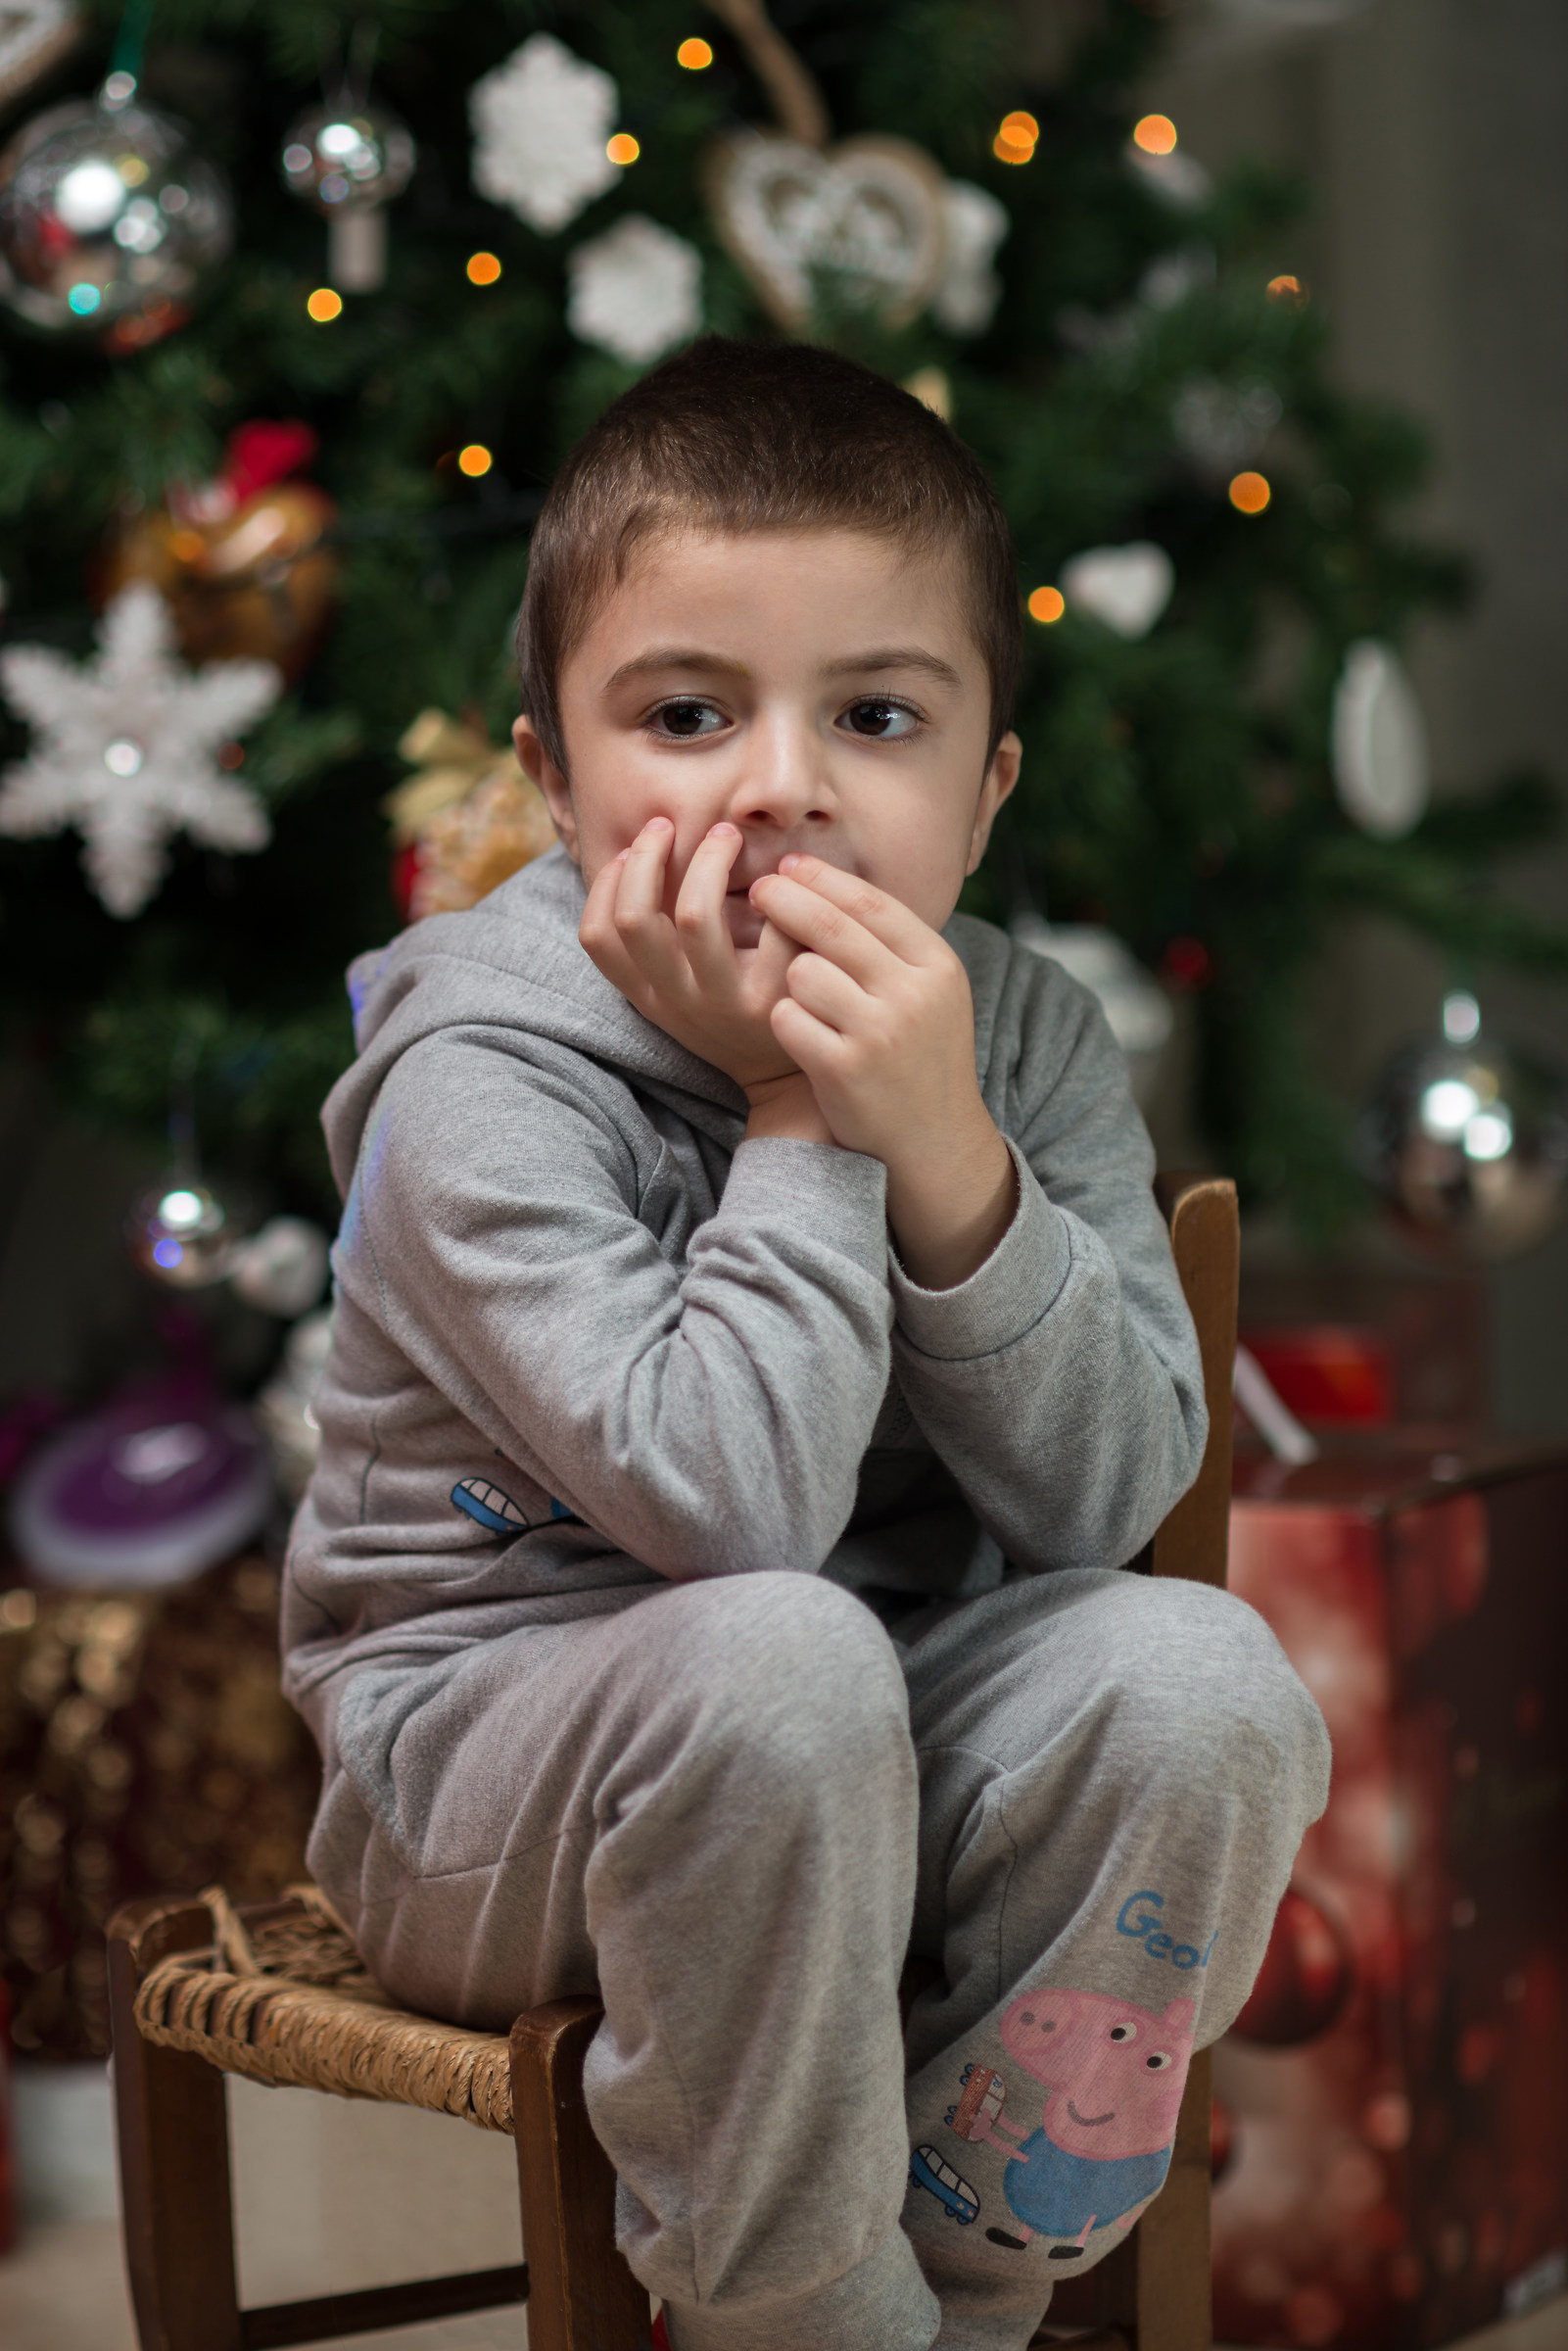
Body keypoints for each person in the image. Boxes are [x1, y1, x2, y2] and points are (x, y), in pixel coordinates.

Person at [282, 338, 1330, 2351]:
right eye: (686, 714)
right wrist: (801, 1119)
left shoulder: (1019, 1039)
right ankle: (794, 2316)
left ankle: (954, 2285)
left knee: (1204, 1680)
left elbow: (1114, 1501)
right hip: (491, 1776)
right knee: (780, 1654)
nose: (781, 783)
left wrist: (951, 1149)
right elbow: (732, 1518)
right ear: (555, 785)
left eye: (875, 713)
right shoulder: (481, 1072)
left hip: (881, 1723)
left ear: (984, 791)